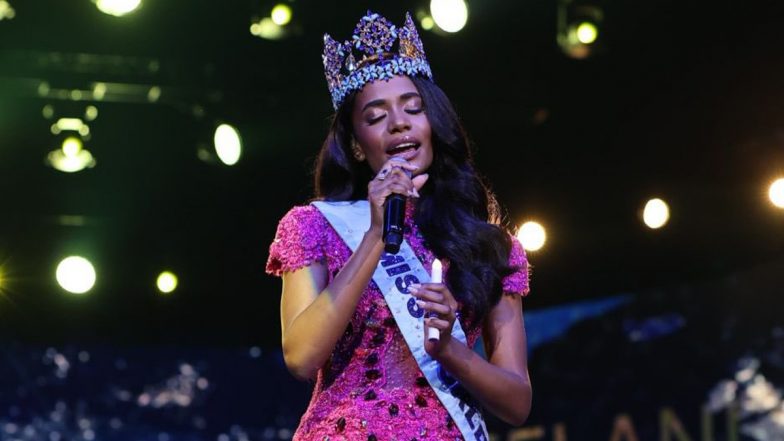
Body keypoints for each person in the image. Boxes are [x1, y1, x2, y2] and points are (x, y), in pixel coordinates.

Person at [266, 11, 532, 440]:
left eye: (413, 109)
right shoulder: (315, 226)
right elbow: (301, 356)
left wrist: (447, 348)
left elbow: (517, 403)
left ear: (433, 124)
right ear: (355, 144)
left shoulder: (490, 246)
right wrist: (374, 235)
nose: (399, 123)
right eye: (375, 117)